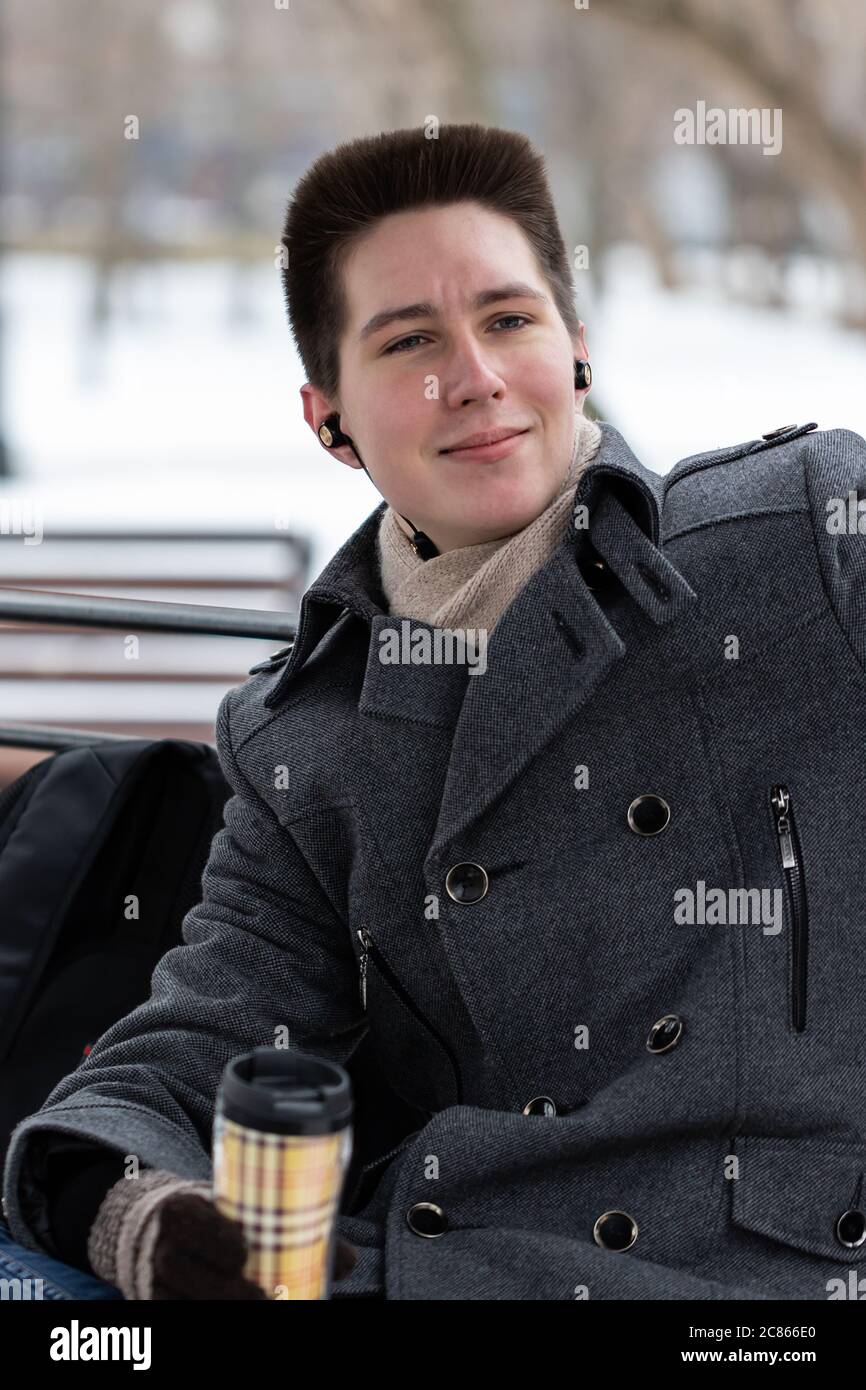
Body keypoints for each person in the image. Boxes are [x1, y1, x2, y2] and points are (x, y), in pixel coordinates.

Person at [3, 122, 866, 1302]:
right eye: (408, 340)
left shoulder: (797, 538)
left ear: (574, 350)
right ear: (328, 417)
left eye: (507, 320)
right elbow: (192, 1054)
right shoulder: (302, 739)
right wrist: (136, 1217)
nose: (472, 376)